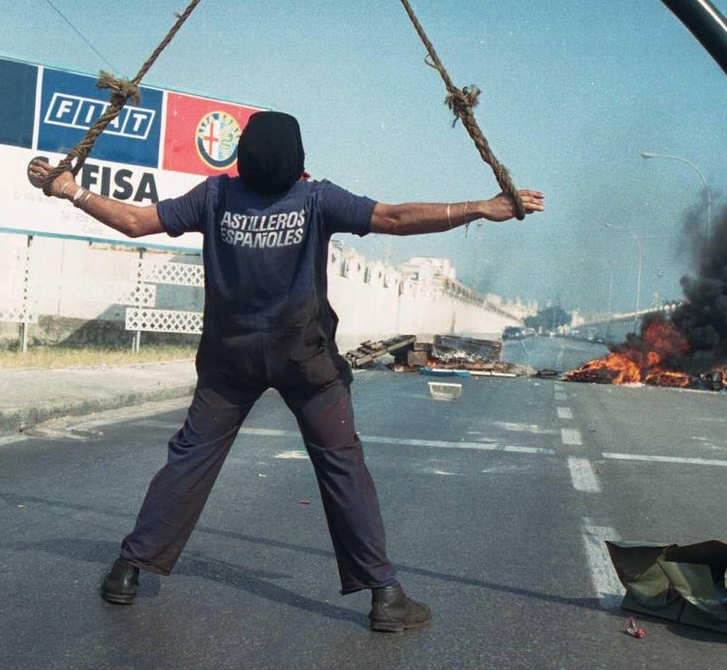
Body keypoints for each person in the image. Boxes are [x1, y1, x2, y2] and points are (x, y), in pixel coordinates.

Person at [27, 110, 545, 632]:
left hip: (230, 361)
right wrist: (482, 207)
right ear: (298, 161)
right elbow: (395, 219)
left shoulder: (215, 197)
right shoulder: (316, 198)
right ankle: (385, 595)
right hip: (306, 361)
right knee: (342, 466)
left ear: (241, 156)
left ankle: (127, 571)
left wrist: (70, 190)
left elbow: (136, 222)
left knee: (190, 460)